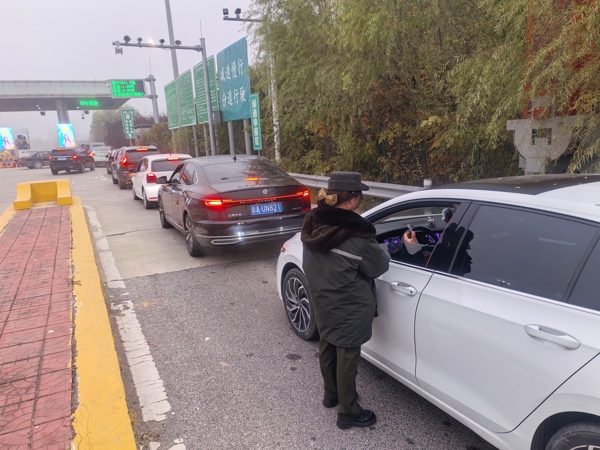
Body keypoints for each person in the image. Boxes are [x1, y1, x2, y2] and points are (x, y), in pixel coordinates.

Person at [301, 171, 390, 430]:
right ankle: (349, 412)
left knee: (327, 344)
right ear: (352, 199)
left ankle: (331, 395)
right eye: (360, 194)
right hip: (350, 305)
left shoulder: (312, 221)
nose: (361, 199)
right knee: (348, 355)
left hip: (322, 298)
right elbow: (378, 267)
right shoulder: (358, 235)